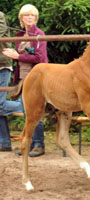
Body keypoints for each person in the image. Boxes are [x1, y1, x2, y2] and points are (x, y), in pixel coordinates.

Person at [2, 4, 48, 157]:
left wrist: (17, 56)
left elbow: (40, 58)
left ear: (36, 18)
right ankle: (28, 144)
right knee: (26, 113)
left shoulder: (39, 34)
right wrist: (16, 82)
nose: (30, 18)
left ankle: (39, 145)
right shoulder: (20, 37)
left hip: (36, 80)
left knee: (34, 113)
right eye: (27, 15)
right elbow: (19, 63)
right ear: (21, 18)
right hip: (23, 80)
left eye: (32, 15)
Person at [0, 11, 23, 152]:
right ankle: (4, 142)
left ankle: (26, 105)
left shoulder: (0, 15)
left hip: (2, 63)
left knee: (0, 105)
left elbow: (1, 32)